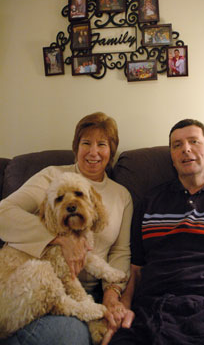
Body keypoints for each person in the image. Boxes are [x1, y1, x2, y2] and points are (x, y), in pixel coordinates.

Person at [106, 119, 204, 345]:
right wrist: (122, 306)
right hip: (155, 307)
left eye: (194, 142)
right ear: (172, 158)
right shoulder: (149, 203)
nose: (186, 149)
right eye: (177, 145)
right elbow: (136, 270)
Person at [0, 112, 133, 345]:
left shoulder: (122, 195)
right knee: (69, 335)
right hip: (33, 286)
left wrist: (112, 294)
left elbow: (120, 252)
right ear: (75, 148)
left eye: (101, 144)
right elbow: (3, 213)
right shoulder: (52, 176)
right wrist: (60, 238)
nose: (93, 152)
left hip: (87, 293)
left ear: (111, 151)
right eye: (86, 143)